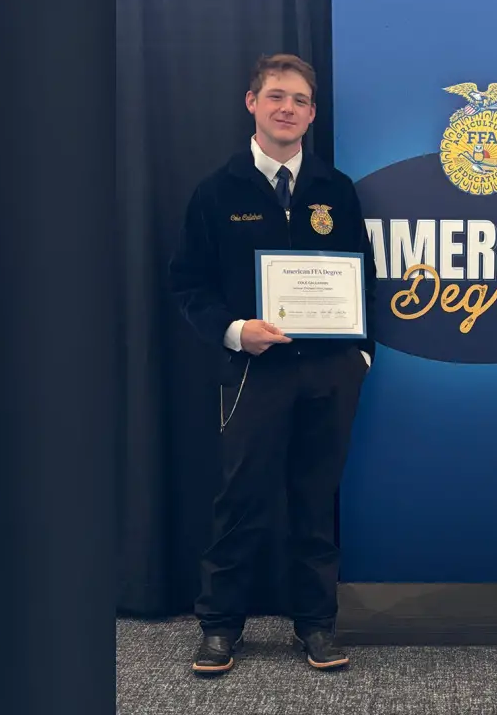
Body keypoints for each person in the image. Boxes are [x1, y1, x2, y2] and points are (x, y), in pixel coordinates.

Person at [168, 54, 376, 675]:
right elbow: (189, 286)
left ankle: (315, 623)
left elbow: (364, 277)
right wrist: (234, 331)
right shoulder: (217, 190)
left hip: (329, 370)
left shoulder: (335, 190)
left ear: (313, 114)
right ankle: (221, 624)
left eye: (301, 100)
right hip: (254, 373)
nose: (289, 108)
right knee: (241, 499)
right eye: (277, 96)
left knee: (316, 498)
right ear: (252, 103)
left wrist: (361, 354)